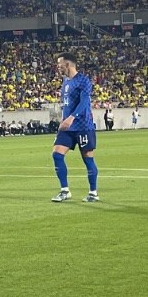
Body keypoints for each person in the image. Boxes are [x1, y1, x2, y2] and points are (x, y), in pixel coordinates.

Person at [52, 54, 99, 203]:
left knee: (88, 159)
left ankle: (93, 192)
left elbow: (84, 102)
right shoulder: (65, 82)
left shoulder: (83, 81)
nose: (58, 67)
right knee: (57, 154)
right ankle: (64, 190)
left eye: (60, 64)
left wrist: (72, 117)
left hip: (83, 126)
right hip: (67, 127)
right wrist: (63, 120)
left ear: (68, 65)